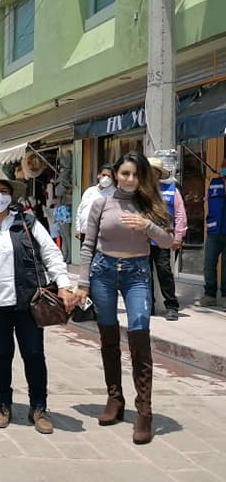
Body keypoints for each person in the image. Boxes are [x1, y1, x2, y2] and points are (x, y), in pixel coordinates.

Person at [0, 169, 75, 435]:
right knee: (0, 355)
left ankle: (39, 407)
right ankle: (2, 405)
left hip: (28, 305)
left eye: (3, 192)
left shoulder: (28, 223)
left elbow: (52, 254)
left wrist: (64, 285)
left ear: (11, 196)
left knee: (33, 355)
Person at [76, 152, 174, 445]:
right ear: (115, 174)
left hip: (137, 274)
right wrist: (83, 283)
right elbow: (88, 245)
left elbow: (168, 241)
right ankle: (114, 399)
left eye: (135, 175)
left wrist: (147, 226)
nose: (130, 179)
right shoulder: (100, 203)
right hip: (103, 271)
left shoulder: (150, 204)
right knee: (108, 338)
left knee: (139, 335)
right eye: (125, 173)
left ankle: (144, 411)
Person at [147, 157, 186, 320]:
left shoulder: (172, 190)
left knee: (164, 272)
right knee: (144, 274)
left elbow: (180, 214)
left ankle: (171, 306)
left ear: (158, 174)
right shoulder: (139, 193)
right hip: (142, 241)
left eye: (154, 172)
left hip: (163, 239)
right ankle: (148, 306)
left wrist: (178, 237)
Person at [199, 157, 226, 307]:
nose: (223, 169)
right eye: (223, 166)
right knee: (209, 264)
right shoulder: (214, 183)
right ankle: (210, 294)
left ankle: (225, 295)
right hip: (214, 230)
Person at [75, 165, 115, 243]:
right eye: (104, 175)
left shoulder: (114, 194)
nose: (106, 178)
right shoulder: (90, 191)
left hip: (102, 236)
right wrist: (78, 228)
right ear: (98, 175)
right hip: (85, 234)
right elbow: (80, 210)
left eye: (109, 176)